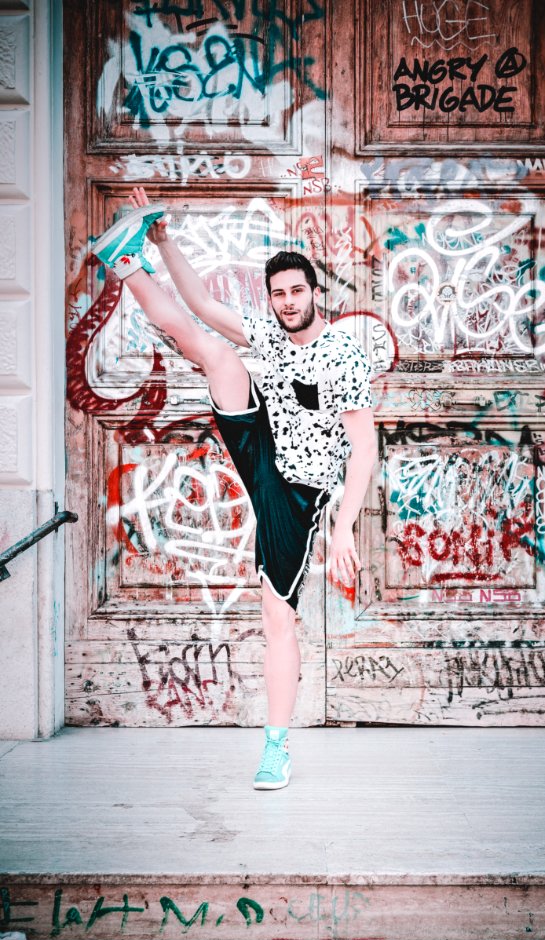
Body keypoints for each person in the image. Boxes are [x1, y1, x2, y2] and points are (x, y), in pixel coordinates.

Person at [92, 187, 377, 790]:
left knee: (278, 615)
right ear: (272, 300)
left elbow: (365, 448)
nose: (288, 301)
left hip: (299, 489)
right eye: (279, 294)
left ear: (314, 293)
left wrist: (345, 520)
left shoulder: (343, 357)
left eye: (298, 291)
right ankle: (127, 261)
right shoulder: (268, 333)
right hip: (263, 443)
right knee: (214, 354)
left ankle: (277, 747)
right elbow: (195, 301)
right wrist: (164, 240)